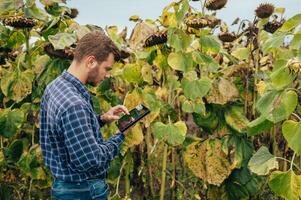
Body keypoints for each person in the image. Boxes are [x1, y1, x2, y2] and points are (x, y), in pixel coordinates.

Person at [39, 31, 129, 200]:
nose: (108, 75)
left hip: (65, 186)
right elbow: (91, 160)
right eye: (107, 68)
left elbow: (66, 131)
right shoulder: (75, 104)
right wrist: (120, 135)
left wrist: (102, 119)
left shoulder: (55, 87)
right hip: (83, 191)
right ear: (91, 62)